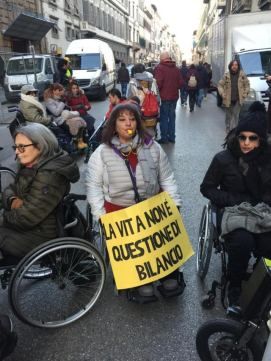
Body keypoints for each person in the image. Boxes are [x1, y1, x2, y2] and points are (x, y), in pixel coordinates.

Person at [86, 103, 184, 303]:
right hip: (120, 210)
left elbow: (166, 178)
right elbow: (94, 187)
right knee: (136, 246)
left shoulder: (153, 147)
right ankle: (140, 279)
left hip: (152, 206)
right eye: (122, 119)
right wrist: (100, 215)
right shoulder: (102, 153)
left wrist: (174, 203)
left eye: (131, 119)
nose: (128, 123)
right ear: (114, 125)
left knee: (161, 239)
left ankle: (168, 273)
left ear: (138, 123)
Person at [200, 101, 271, 314]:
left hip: (261, 212)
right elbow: (207, 188)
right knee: (242, 241)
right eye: (242, 137)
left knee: (268, 243)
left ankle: (263, 284)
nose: (246, 143)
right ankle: (235, 288)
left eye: (252, 138)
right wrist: (232, 199)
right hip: (234, 212)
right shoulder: (223, 159)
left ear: (261, 140)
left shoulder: (268, 160)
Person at [0, 123, 79, 259]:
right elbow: (10, 190)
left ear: (41, 145)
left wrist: (3, 217)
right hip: (28, 226)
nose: (16, 152)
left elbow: (26, 217)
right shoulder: (31, 165)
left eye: (22, 147)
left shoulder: (49, 175)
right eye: (16, 147)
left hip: (39, 235)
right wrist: (13, 200)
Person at [44, 83, 87, 149]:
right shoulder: (49, 101)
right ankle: (76, 141)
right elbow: (56, 113)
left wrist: (68, 107)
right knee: (76, 122)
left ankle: (80, 141)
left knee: (80, 120)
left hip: (65, 116)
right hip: (58, 120)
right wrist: (62, 103)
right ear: (54, 91)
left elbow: (66, 107)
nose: (61, 91)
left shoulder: (59, 98)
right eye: (60, 90)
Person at [154, 52, 183, 144]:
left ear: (162, 59)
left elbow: (158, 84)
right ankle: (172, 137)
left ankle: (164, 138)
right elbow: (180, 83)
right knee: (172, 117)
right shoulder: (176, 69)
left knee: (164, 118)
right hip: (174, 97)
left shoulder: (160, 68)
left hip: (164, 97)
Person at [218, 59, 250, 133]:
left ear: (238, 66)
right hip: (228, 99)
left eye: (236, 65)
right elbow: (220, 85)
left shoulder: (242, 75)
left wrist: (245, 94)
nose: (234, 66)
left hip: (238, 99)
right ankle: (228, 126)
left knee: (236, 115)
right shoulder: (226, 75)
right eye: (233, 65)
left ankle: (234, 129)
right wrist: (222, 93)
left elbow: (247, 85)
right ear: (230, 66)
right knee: (228, 115)